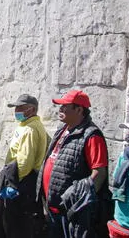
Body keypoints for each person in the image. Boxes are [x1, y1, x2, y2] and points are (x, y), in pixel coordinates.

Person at [35, 90, 108, 238]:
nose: (60, 109)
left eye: (65, 106)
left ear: (79, 109)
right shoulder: (63, 130)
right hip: (52, 208)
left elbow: (99, 173)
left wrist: (77, 204)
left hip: (71, 214)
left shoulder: (91, 136)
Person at [0, 94, 49, 238]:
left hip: (22, 183)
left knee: (16, 226)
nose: (16, 111)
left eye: (20, 108)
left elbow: (25, 162)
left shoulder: (30, 130)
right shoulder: (31, 126)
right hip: (24, 182)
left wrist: (12, 183)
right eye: (16, 107)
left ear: (31, 110)